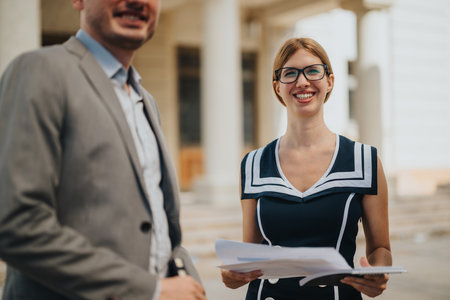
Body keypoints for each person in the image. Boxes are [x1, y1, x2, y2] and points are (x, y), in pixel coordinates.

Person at [0, 0, 206, 299]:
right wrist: (151, 290)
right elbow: (17, 224)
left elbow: (161, 227)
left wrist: (189, 279)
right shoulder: (38, 71)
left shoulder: (146, 101)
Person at [221, 37, 392, 300]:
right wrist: (232, 276)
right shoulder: (253, 163)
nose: (302, 82)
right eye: (290, 73)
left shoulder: (364, 160)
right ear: (277, 87)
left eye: (313, 71)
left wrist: (378, 273)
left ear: (330, 81)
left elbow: (380, 247)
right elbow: (250, 255)